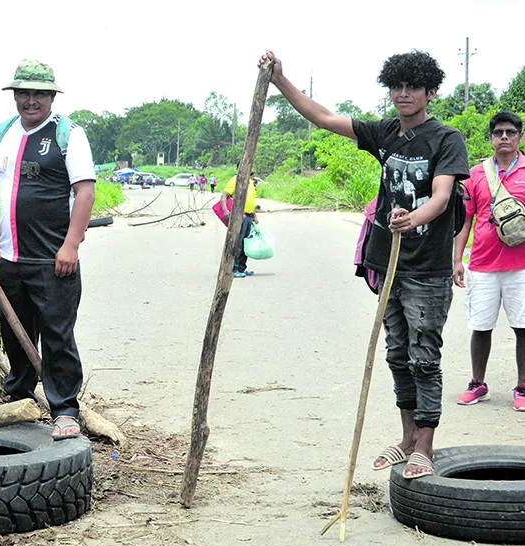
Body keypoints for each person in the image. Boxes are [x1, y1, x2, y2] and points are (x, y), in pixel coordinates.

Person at [261, 49, 469, 479]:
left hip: (427, 269)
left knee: (424, 356)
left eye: (413, 87)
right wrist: (281, 80)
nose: (404, 94)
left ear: (430, 91)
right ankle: (407, 436)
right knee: (396, 353)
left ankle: (425, 446)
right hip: (387, 262)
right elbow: (322, 118)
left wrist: (413, 218)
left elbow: (443, 196)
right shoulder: (386, 132)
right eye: (397, 86)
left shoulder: (446, 138)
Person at [0, 59, 96, 440]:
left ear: (51, 97)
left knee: (58, 334)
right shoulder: (3, 132)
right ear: (15, 96)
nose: (30, 101)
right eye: (23, 93)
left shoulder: (68, 134)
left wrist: (71, 245)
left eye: (38, 94)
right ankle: (19, 398)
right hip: (9, 257)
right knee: (15, 330)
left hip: (53, 259)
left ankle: (64, 409)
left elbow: (85, 191)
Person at [453, 111, 525, 410]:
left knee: (523, 328)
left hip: (521, 265)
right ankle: (477, 383)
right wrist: (457, 259)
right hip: (482, 264)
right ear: (491, 138)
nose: (504, 137)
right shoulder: (475, 174)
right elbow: (465, 219)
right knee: (480, 327)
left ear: (520, 136)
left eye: (510, 132)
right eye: (498, 132)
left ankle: (522, 387)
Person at [222, 171, 259, 278]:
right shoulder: (235, 180)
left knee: (245, 243)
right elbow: (224, 195)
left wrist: (254, 215)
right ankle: (234, 269)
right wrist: (225, 210)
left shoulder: (250, 182)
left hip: (248, 216)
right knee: (237, 243)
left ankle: (242, 268)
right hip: (239, 215)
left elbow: (250, 200)